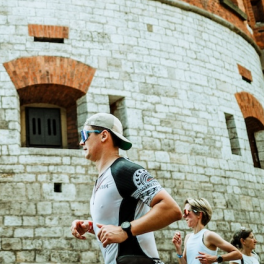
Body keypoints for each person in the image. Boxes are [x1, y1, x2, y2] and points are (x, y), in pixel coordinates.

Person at [70, 113, 183, 264]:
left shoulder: (125, 170)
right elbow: (121, 218)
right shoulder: (104, 178)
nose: (81, 142)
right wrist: (92, 227)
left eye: (84, 135)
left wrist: (124, 230)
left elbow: (172, 209)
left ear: (104, 135)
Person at [172, 198, 242, 264]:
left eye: (186, 212)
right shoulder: (188, 237)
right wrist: (178, 250)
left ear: (199, 214)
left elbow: (238, 254)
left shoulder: (208, 236)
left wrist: (215, 258)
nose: (184, 216)